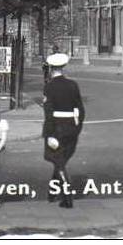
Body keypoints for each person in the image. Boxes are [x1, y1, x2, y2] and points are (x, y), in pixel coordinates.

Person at [43, 53, 85, 208]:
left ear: (51, 69)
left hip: (57, 128)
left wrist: (49, 134)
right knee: (59, 160)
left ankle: (67, 198)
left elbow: (48, 113)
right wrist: (77, 127)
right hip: (71, 128)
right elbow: (80, 109)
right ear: (63, 67)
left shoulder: (49, 86)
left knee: (59, 162)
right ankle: (52, 193)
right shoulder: (73, 85)